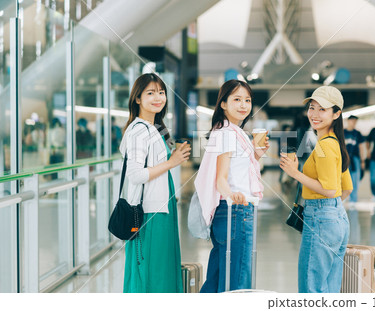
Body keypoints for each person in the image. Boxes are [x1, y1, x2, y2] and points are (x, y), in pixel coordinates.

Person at [119, 73, 191, 293]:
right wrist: (172, 162)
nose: (158, 97)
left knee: (160, 269)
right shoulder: (139, 130)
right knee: (152, 273)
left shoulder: (156, 128)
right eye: (150, 93)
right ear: (137, 99)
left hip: (160, 208)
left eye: (161, 92)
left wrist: (174, 157)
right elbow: (136, 175)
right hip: (149, 212)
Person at [196, 79, 268, 293]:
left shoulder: (229, 132)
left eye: (247, 100)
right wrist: (233, 195)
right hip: (235, 212)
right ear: (223, 104)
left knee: (217, 279)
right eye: (236, 99)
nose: (244, 104)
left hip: (224, 214)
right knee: (237, 281)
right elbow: (221, 179)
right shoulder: (229, 134)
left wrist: (256, 154)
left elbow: (236, 171)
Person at [279, 85, 353, 293]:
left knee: (310, 291)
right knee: (328, 290)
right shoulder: (335, 143)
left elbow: (330, 190)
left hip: (321, 219)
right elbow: (346, 189)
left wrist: (295, 173)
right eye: (312, 108)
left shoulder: (324, 147)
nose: (314, 114)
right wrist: (331, 211)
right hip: (336, 218)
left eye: (323, 109)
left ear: (336, 113)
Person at [344, 115, 365, 204]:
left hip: (355, 159)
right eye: (352, 121)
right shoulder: (342, 132)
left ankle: (353, 199)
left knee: (354, 179)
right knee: (343, 179)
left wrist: (362, 160)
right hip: (344, 159)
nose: (353, 123)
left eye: (355, 121)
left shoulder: (358, 133)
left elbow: (361, 147)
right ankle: (343, 197)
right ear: (348, 121)